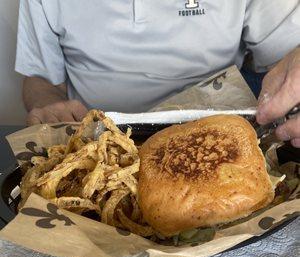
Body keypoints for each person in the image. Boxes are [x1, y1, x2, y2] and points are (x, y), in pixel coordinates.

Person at [15, 0, 300, 147]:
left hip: (221, 141)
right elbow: (38, 78)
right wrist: (47, 106)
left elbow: (289, 58)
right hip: (98, 147)